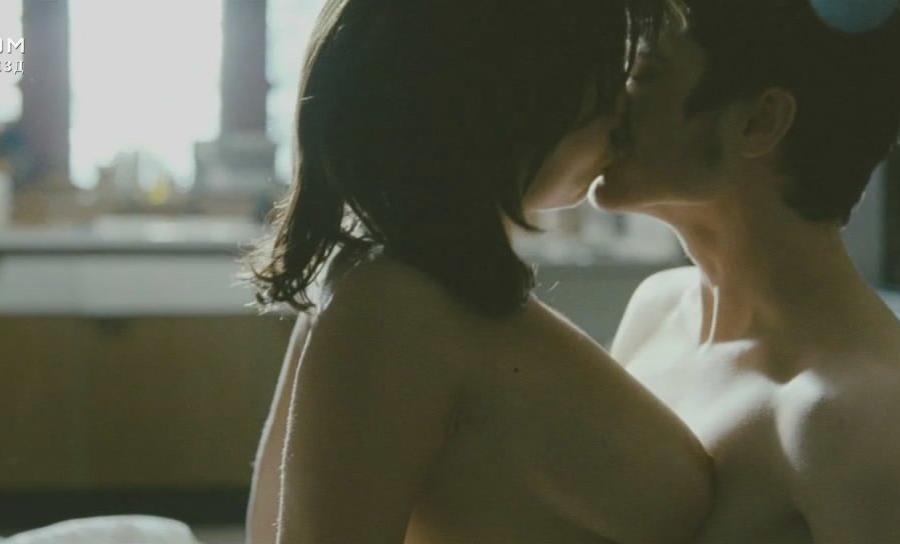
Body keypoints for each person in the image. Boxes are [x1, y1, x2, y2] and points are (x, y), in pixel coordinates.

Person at [243, 0, 712, 542]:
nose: (622, 114)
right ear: (515, 96)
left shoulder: (392, 291)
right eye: (607, 76)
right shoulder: (394, 305)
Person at [594, 1, 900, 542]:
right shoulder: (657, 307)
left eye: (642, 75)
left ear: (758, 122)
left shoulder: (852, 410)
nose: (604, 102)